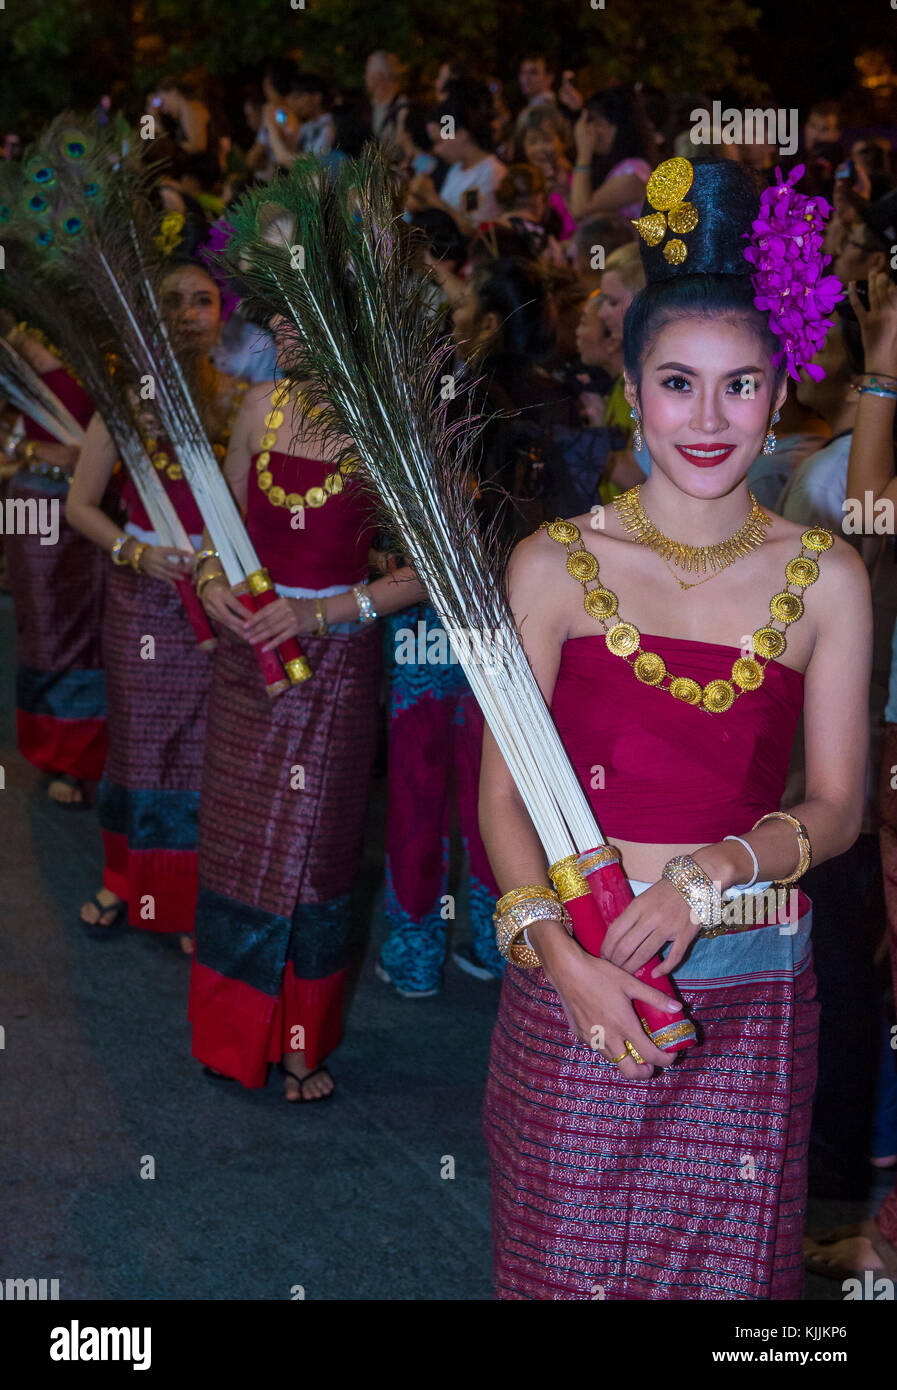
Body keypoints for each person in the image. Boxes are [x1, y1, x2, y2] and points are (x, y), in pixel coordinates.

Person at [479, 156, 871, 1299]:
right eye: (678, 383)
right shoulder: (552, 565)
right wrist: (558, 958)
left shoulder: (827, 578)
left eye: (741, 385)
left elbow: (838, 807)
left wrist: (716, 871)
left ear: (781, 389)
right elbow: (504, 796)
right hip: (577, 985)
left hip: (749, 992)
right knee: (564, 1271)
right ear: (632, 392)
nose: (708, 419)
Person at [190, 368, 428, 1096]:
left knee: (316, 851)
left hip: (334, 659)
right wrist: (207, 579)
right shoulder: (259, 403)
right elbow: (220, 524)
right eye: (281, 311)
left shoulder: (385, 415)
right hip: (247, 652)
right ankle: (232, 1035)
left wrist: (316, 616)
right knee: (235, 842)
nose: (295, 327)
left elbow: (423, 571)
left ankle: (299, 1042)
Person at [66, 259, 246, 950]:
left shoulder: (243, 396)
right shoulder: (125, 393)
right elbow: (81, 505)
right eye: (173, 302)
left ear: (221, 314)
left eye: (202, 301)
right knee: (142, 743)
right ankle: (127, 879)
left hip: (223, 593)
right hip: (143, 593)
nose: (189, 314)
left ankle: (194, 893)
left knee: (208, 748)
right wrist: (135, 554)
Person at [3, 329, 107, 806]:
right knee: (45, 629)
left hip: (106, 504)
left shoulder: (101, 327)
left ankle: (95, 752)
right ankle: (59, 754)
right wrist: (29, 450)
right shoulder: (19, 340)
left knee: (94, 627)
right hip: (35, 504)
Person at [408, 80, 506, 236]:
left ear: (462, 135)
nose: (436, 149)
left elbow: (474, 230)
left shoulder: (489, 172)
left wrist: (431, 198)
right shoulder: (456, 169)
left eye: (439, 141)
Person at [570, 88, 655, 222]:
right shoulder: (619, 167)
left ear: (617, 126)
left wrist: (583, 154)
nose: (590, 130)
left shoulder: (633, 173)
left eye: (597, 122)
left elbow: (580, 210)